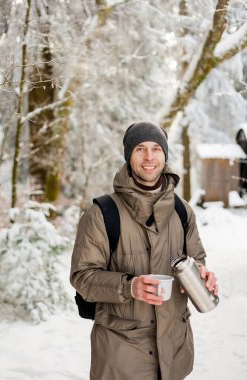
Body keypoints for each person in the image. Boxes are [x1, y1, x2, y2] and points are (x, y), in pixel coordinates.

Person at [70, 122, 218, 380]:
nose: (149, 157)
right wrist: (130, 286)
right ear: (129, 155)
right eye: (140, 149)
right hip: (121, 358)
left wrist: (201, 273)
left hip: (174, 353)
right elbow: (82, 277)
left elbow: (197, 258)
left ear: (165, 155)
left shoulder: (183, 211)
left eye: (156, 149)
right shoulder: (102, 213)